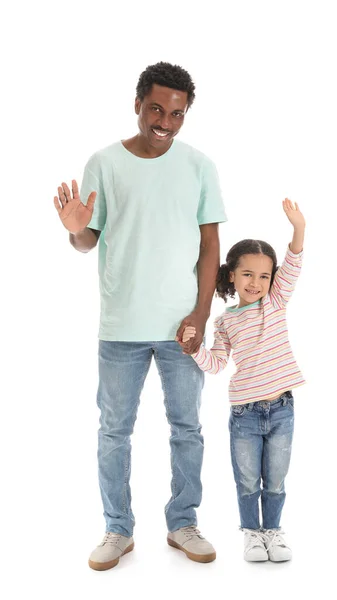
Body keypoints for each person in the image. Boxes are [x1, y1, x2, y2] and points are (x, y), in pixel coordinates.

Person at [53, 62, 227, 570]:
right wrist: (75, 229)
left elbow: (211, 245)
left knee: (187, 428)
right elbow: (87, 242)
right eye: (156, 108)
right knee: (113, 431)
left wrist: (200, 313)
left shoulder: (199, 166)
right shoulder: (104, 163)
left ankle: (183, 522)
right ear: (137, 104)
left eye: (177, 113)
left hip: (182, 328)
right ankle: (117, 529)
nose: (165, 121)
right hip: (122, 325)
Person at [181, 199, 305, 562]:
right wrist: (194, 349)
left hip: (282, 409)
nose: (256, 282)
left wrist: (298, 229)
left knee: (276, 479)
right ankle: (252, 534)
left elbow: (294, 264)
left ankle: (274, 532)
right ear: (231, 275)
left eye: (264, 275)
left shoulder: (275, 302)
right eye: (247, 274)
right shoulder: (224, 322)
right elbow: (217, 363)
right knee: (248, 480)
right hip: (244, 414)